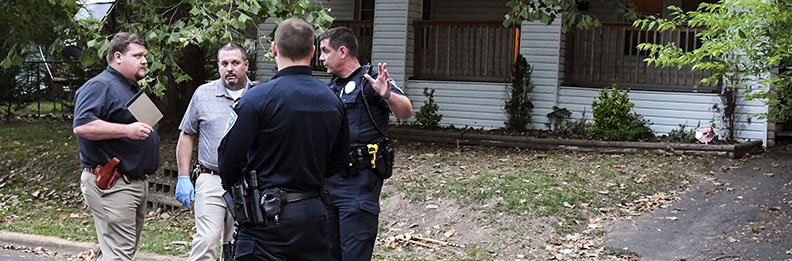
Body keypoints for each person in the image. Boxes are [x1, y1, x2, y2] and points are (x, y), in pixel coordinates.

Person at [217, 17, 349, 260]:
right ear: (312, 51)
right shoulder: (333, 101)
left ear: (274, 49)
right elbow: (338, 161)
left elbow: (228, 162)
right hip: (313, 214)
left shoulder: (257, 99)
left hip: (265, 218)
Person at [318, 27, 413, 260]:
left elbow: (406, 111)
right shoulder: (330, 88)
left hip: (358, 187)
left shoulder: (371, 81)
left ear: (342, 51)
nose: (320, 58)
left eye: (325, 51)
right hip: (328, 186)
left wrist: (387, 95)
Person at [72, 32, 159, 260]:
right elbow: (82, 126)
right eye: (138, 55)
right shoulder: (100, 85)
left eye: (145, 55)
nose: (144, 60)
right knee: (119, 254)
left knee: (121, 252)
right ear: (118, 56)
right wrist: (127, 131)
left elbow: (149, 128)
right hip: (113, 184)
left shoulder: (130, 88)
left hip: (135, 183)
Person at [174, 42, 254, 261]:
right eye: (224, 63)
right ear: (218, 67)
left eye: (235, 63)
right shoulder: (203, 94)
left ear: (245, 65)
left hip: (248, 181)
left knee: (240, 242)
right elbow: (187, 135)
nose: (230, 68)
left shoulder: (259, 95)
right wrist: (183, 176)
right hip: (211, 178)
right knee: (207, 239)